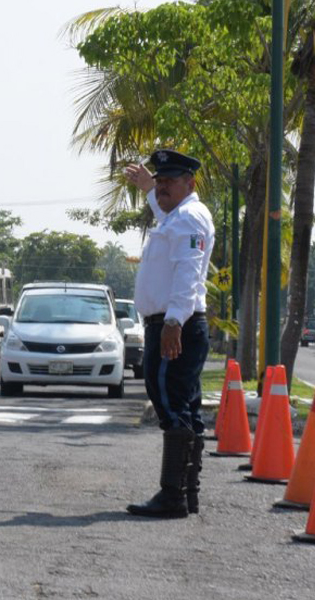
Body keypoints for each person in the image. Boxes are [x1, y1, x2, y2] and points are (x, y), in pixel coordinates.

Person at [124, 149, 215, 519]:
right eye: (158, 181)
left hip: (176, 325)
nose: (162, 188)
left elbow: (188, 273)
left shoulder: (190, 217)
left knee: (170, 405)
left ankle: (172, 495)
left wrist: (174, 322)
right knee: (185, 406)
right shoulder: (179, 216)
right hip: (174, 323)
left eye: (168, 182)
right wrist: (149, 188)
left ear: (189, 183)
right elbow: (165, 215)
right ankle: (187, 493)